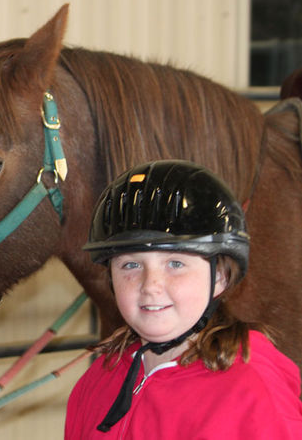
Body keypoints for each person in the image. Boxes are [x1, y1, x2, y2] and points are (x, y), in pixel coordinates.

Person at [65, 160, 302, 439]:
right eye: (130, 265)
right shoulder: (99, 382)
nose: (150, 286)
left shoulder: (253, 390)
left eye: (175, 264)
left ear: (220, 278)